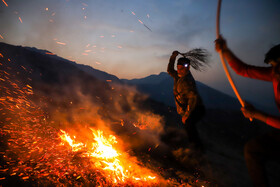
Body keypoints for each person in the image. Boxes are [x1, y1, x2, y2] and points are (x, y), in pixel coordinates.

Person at [215, 36, 280, 187]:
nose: (275, 71)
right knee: (252, 149)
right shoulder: (275, 74)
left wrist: (256, 115)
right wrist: (225, 51)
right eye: (273, 66)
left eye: (278, 66)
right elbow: (244, 70)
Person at [167, 50, 206, 151]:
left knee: (189, 125)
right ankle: (195, 146)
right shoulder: (178, 76)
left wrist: (187, 114)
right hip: (189, 108)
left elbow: (193, 98)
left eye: (182, 68)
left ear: (188, 68)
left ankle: (197, 149)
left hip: (196, 109)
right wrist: (173, 57)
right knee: (188, 127)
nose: (179, 70)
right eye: (178, 68)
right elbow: (170, 70)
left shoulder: (187, 81)